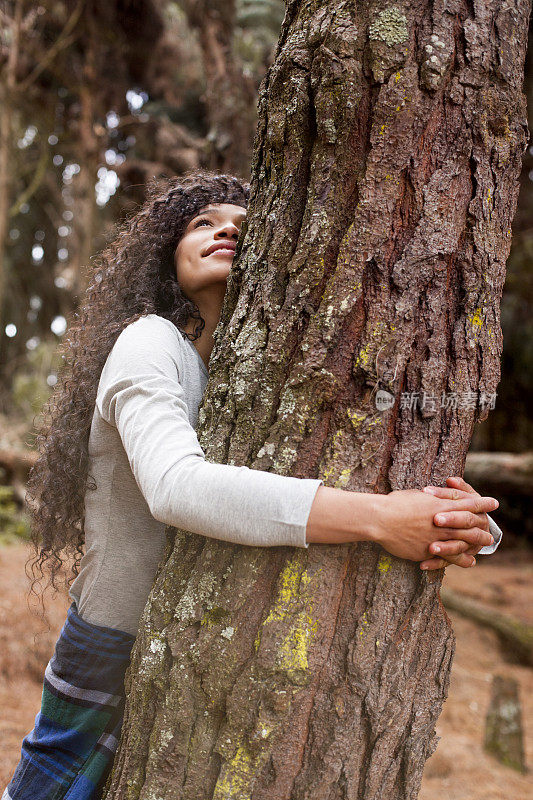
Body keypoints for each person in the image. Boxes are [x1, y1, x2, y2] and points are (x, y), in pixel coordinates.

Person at [2, 170, 502, 800]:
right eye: (201, 223)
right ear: (166, 255)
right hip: (108, 647)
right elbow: (176, 487)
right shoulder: (149, 342)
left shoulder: (260, 380)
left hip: (199, 649)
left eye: (244, 224)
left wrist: (466, 522)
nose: (225, 230)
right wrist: (378, 519)